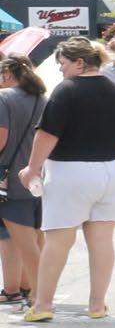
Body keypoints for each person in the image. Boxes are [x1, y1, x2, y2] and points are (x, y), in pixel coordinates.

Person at [15, 37, 115, 322]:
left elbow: (47, 134)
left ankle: (43, 304)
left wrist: (32, 169)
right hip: (112, 171)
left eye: (63, 63)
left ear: (79, 63)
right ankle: (97, 305)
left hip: (69, 172)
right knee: (102, 242)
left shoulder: (66, 91)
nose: (61, 69)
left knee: (58, 241)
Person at [0, 54, 47, 307]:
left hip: (10, 179)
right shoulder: (42, 98)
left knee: (23, 241)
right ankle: (28, 288)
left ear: (8, 74)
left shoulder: (4, 98)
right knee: (37, 237)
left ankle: (40, 295)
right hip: (38, 177)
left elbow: (1, 138)